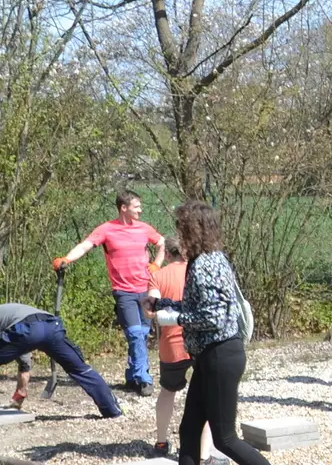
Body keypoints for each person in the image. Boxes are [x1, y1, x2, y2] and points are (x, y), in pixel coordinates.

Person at [145, 201, 272, 465]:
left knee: (225, 438)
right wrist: (162, 303)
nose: (179, 235)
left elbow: (212, 317)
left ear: (195, 231)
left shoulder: (205, 266)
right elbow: (199, 306)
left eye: (182, 229)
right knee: (189, 430)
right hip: (208, 356)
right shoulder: (208, 259)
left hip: (220, 356)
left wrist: (173, 317)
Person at [54, 191, 167, 397]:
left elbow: (163, 243)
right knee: (134, 334)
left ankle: (133, 375)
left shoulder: (144, 229)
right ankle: (144, 379)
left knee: (140, 335)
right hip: (123, 291)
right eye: (136, 206)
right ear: (124, 208)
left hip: (145, 288)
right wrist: (67, 260)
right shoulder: (107, 229)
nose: (140, 210)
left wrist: (156, 264)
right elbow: (85, 246)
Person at [0, 303, 122, 431]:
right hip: (50, 325)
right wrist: (21, 389)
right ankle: (112, 410)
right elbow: (24, 357)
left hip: (25, 329)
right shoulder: (6, 316)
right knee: (80, 369)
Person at [149, 239, 210, 459]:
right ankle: (204, 454)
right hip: (201, 343)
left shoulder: (158, 276)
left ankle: (161, 442)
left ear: (167, 254)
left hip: (172, 346)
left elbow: (151, 310)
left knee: (167, 391)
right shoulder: (198, 271)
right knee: (205, 395)